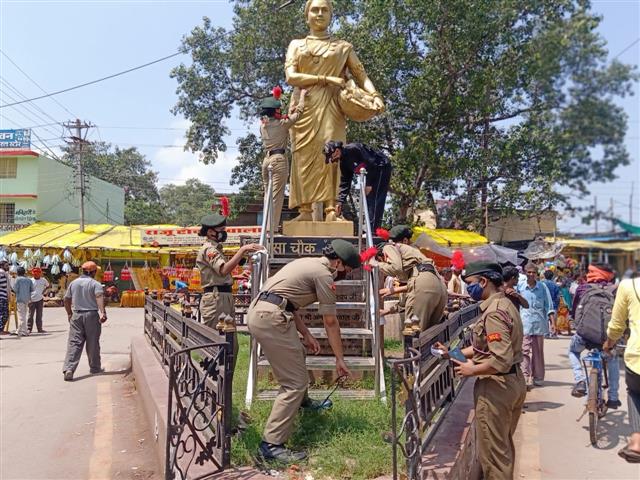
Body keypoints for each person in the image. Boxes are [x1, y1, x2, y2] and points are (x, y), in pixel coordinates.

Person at [247, 239, 359, 462]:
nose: (346, 273)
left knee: (298, 352)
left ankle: (303, 403)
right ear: (337, 262)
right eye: (347, 269)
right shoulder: (324, 275)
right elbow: (330, 321)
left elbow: (287, 302)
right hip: (271, 317)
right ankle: (271, 445)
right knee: (293, 384)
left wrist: (306, 335)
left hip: (266, 311)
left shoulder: (308, 263)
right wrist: (340, 359)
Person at [285, 0, 384, 221]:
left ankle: (332, 209)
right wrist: (325, 78)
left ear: (331, 15)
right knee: (303, 156)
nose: (319, 14)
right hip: (303, 107)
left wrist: (375, 95)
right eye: (315, 10)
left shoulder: (342, 47)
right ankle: (305, 211)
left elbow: (360, 74)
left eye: (324, 10)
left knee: (332, 154)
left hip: (331, 106)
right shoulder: (296, 45)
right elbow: (291, 76)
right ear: (306, 15)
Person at [434, 262, 526, 480]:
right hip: (512, 382)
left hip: (496, 388)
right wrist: (452, 354)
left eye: (471, 284)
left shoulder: (493, 313)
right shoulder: (505, 304)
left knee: (494, 457)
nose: (468, 289)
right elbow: (482, 349)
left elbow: (499, 360)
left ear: (484, 282)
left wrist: (470, 370)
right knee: (502, 448)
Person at [195, 212, 261, 371]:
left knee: (230, 344)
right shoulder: (209, 249)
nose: (224, 233)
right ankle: (212, 385)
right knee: (217, 345)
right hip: (216, 299)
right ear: (211, 231)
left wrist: (236, 276)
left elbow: (217, 275)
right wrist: (242, 250)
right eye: (221, 229)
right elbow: (223, 270)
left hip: (222, 296)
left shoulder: (216, 248)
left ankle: (221, 386)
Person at [376, 225, 448, 332]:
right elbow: (412, 289)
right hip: (439, 286)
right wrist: (387, 311)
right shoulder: (415, 253)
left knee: (413, 333)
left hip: (425, 284)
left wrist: (375, 264)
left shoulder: (390, 247)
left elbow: (397, 268)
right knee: (430, 335)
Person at [569, 263, 621, 408]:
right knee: (613, 359)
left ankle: (580, 380)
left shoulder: (583, 288)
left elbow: (574, 313)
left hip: (584, 336)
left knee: (573, 351)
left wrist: (575, 324)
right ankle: (613, 397)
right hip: (607, 338)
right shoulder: (616, 290)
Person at [603, 275, 640, 463]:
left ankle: (636, 440)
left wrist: (609, 344)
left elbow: (616, 326)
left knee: (635, 392)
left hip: (637, 360)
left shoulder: (628, 286)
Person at [259, 87, 306, 230]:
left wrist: (284, 114)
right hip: (278, 159)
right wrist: (302, 96)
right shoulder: (282, 124)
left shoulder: (263, 125)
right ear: (275, 112)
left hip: (266, 161)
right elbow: (299, 113)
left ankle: (267, 226)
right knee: (276, 196)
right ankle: (271, 229)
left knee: (268, 195)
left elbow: (281, 117)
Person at [324, 140, 392, 230]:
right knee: (369, 199)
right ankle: (370, 228)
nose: (332, 159)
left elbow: (370, 162)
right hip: (372, 172)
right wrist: (340, 201)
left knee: (374, 198)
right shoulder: (344, 163)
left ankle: (373, 231)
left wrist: (369, 184)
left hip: (381, 167)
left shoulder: (354, 149)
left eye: (331, 156)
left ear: (336, 151)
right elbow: (345, 182)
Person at [62, 261, 107, 381]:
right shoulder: (95, 284)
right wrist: (102, 312)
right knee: (92, 343)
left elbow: (66, 299)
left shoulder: (73, 283)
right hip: (91, 315)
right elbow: (99, 297)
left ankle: (69, 369)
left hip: (76, 315)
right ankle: (95, 367)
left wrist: (69, 313)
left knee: (74, 342)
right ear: (93, 272)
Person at [517, 262, 554, 388]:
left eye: (533, 272)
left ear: (537, 274)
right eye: (529, 272)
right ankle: (525, 377)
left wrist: (552, 323)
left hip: (539, 324)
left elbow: (549, 306)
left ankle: (538, 377)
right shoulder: (520, 287)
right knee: (524, 351)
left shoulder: (542, 287)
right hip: (524, 324)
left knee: (538, 352)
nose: (531, 274)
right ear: (525, 273)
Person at [12, 267, 33, 338]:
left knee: (21, 316)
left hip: (20, 299)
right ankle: (19, 330)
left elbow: (15, 289)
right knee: (24, 315)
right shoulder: (29, 280)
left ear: (17, 273)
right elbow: (32, 289)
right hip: (27, 299)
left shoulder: (17, 280)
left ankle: (24, 331)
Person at [28, 267, 49, 333]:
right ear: (33, 274)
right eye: (35, 274)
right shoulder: (30, 281)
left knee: (39, 315)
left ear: (40, 273)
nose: (36, 275)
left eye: (37, 273)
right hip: (31, 300)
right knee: (30, 315)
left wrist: (44, 292)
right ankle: (29, 328)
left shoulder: (43, 280)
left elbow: (48, 286)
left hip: (40, 299)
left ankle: (39, 329)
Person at [541, 269, 560, 337]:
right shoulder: (555, 285)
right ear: (552, 277)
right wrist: (557, 305)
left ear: (545, 276)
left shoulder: (542, 284)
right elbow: (557, 297)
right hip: (554, 304)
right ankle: (554, 333)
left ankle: (546, 333)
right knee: (553, 320)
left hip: (544, 305)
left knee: (545, 319)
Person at [0, 260, 10, 335]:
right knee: (3, 314)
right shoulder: (2, 273)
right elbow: (4, 285)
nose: (8, 267)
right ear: (2, 266)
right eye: (6, 266)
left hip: (3, 296)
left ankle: (1, 330)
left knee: (4, 314)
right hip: (2, 297)